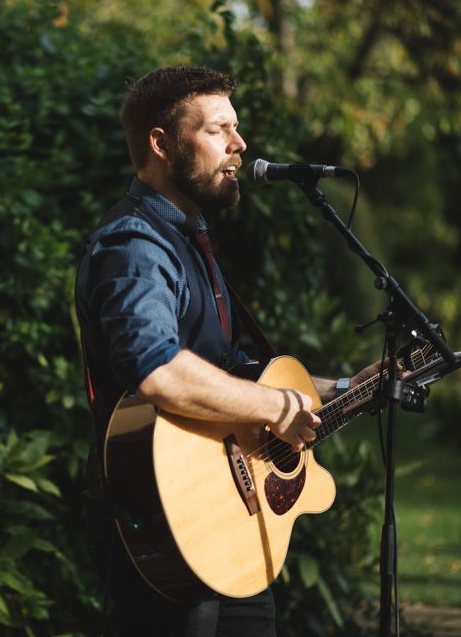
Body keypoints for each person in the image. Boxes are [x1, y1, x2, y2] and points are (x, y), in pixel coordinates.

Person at [74, 66, 382, 637]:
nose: (240, 144)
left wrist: (348, 388)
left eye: (236, 128)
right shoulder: (135, 246)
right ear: (161, 144)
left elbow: (230, 375)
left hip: (229, 523)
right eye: (218, 130)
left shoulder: (189, 241)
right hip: (164, 516)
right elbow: (158, 370)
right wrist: (272, 409)